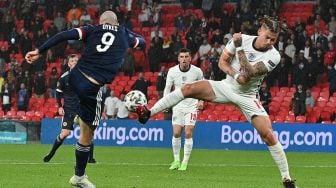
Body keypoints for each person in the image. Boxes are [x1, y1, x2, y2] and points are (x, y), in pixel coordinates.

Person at [135, 16, 296, 188]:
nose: (270, 42)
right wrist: (234, 75)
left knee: (268, 134)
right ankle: (148, 113)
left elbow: (248, 72)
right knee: (188, 89)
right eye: (268, 37)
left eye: (274, 39)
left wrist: (239, 47)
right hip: (226, 86)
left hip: (248, 96)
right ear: (260, 31)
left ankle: (286, 179)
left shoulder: (274, 55)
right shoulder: (242, 40)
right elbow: (222, 62)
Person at [25, 10, 145, 188]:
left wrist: (39, 51)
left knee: (84, 127)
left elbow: (64, 35)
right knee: (88, 133)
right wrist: (129, 34)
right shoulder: (124, 34)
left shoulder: (92, 29)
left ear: (101, 21)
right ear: (117, 23)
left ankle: (78, 171)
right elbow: (142, 42)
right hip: (91, 87)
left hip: (74, 78)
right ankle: (78, 177)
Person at [43, 54, 96, 164]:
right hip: (69, 110)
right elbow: (58, 93)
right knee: (65, 133)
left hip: (82, 109)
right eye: (72, 61)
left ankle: (90, 158)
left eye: (76, 60)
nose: (75, 62)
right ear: (69, 64)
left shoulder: (85, 77)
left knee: (88, 133)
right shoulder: (64, 77)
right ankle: (51, 153)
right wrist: (59, 106)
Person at [165, 48, 204, 171]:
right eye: (182, 57)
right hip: (177, 106)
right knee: (176, 132)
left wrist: (202, 100)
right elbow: (167, 89)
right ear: (178, 59)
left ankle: (184, 162)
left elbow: (203, 87)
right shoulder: (172, 71)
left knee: (188, 132)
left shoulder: (197, 71)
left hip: (192, 106)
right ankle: (176, 160)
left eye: (186, 57)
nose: (184, 59)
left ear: (190, 58)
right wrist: (165, 103)